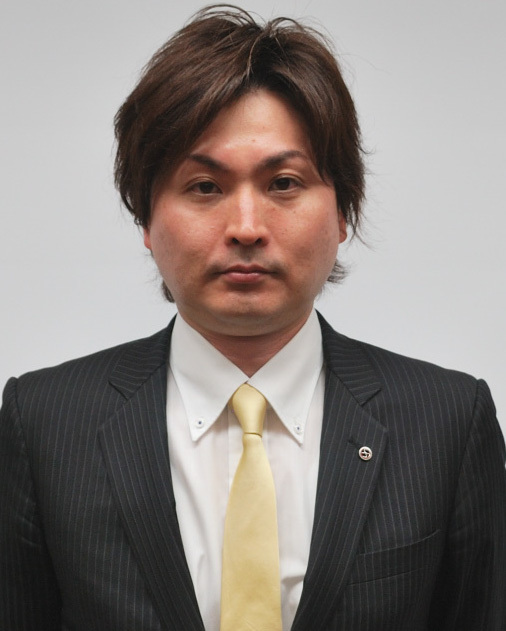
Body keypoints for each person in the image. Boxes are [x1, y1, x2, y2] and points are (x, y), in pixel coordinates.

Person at [1, 5, 505, 630]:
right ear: (146, 219)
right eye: (205, 187)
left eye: (284, 183)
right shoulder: (44, 425)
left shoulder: (448, 423)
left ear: (343, 212)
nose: (245, 228)